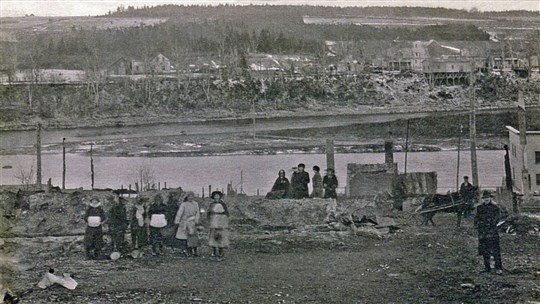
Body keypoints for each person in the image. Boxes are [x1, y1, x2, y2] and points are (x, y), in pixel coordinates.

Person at [474, 191, 503, 275]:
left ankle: (498, 268)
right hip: (482, 231)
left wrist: (490, 224)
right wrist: (477, 224)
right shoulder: (479, 208)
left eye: (487, 198)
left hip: (492, 231)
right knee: (484, 250)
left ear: (491, 198)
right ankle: (487, 267)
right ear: (483, 199)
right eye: (484, 198)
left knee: (495, 250)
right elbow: (476, 218)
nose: (486, 199)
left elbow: (496, 219)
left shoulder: (495, 208)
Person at [174, 192, 200, 257]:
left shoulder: (195, 204)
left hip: (193, 222)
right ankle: (188, 251)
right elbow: (179, 213)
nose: (190, 198)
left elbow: (197, 212)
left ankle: (195, 251)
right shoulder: (184, 204)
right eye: (189, 196)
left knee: (194, 237)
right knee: (186, 237)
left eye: (192, 196)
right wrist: (177, 221)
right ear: (187, 197)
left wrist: (197, 220)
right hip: (185, 222)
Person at [208, 191, 229, 261]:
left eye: (218, 196)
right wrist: (209, 220)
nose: (216, 197)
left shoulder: (223, 204)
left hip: (221, 221)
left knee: (220, 236)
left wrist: (224, 221)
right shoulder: (212, 204)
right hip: (213, 221)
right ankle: (214, 252)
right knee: (213, 236)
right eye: (215, 196)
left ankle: (221, 252)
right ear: (213, 197)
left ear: (220, 197)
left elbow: (227, 214)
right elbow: (208, 213)